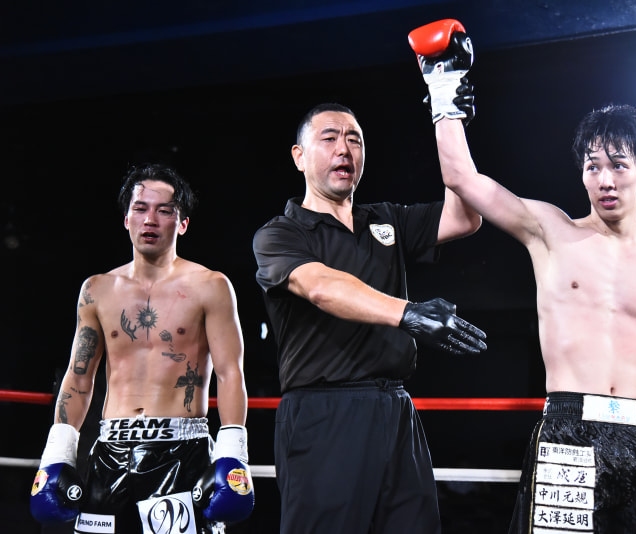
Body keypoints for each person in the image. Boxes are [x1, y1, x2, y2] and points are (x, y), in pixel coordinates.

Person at [408, 19, 636, 534]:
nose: (605, 179)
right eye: (592, 166)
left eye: (618, 165)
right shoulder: (549, 231)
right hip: (567, 428)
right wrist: (443, 91)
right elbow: (462, 178)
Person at [252, 102, 488, 534]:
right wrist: (409, 313)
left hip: (396, 408)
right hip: (324, 413)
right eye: (329, 138)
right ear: (299, 156)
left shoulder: (386, 219)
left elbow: (465, 216)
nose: (344, 148)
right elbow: (321, 286)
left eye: (354, 139)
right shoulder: (280, 233)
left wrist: (447, 118)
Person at [30, 164, 254, 534]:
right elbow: (79, 376)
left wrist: (233, 455)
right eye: (140, 208)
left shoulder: (210, 286)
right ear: (126, 219)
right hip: (110, 455)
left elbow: (231, 373)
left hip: (181, 452)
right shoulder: (97, 289)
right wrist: (57, 454)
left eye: (164, 210)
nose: (150, 219)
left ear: (182, 223)